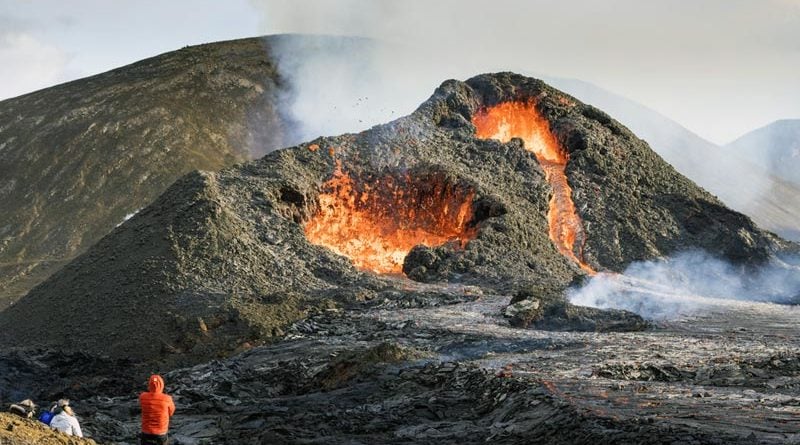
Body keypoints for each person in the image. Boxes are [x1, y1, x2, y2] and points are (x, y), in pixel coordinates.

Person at [139, 374, 175, 445]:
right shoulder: (167, 398)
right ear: (162, 385)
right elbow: (171, 412)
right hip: (161, 432)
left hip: (146, 431)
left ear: (149, 385)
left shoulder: (142, 396)